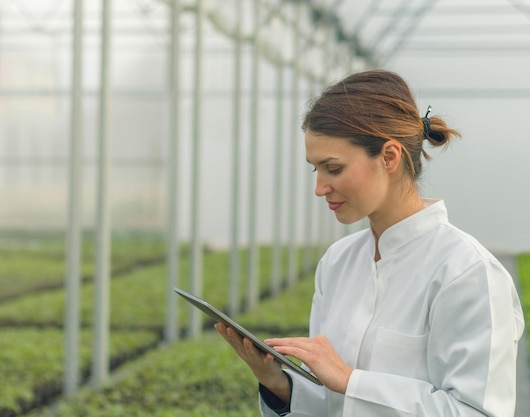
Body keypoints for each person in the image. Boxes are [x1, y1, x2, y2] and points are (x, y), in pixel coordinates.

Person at [215, 69, 525, 417]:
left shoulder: (467, 273)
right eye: (314, 169)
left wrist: (352, 381)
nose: (319, 187)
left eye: (333, 168)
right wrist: (280, 386)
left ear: (389, 157)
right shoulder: (338, 262)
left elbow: (477, 411)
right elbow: (330, 402)